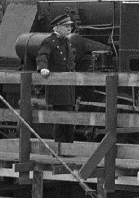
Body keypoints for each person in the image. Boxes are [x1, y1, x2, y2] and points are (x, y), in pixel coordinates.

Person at [35, 13, 101, 142]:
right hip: (57, 87)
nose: (69, 29)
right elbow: (42, 55)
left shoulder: (67, 42)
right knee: (60, 119)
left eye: (69, 27)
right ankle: (60, 148)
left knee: (69, 117)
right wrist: (43, 68)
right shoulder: (49, 41)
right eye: (66, 26)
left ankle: (68, 146)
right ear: (57, 27)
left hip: (68, 86)